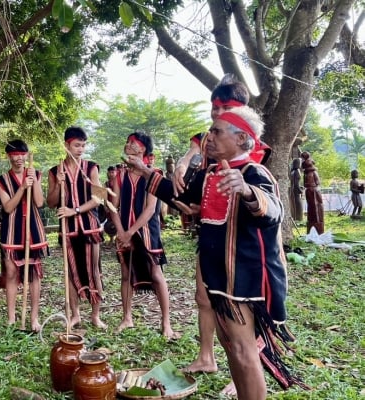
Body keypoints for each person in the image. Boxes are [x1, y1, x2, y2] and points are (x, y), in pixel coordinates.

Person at [124, 107, 306, 400]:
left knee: (244, 350)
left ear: (243, 140)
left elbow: (273, 211)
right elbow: (179, 194)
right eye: (211, 130)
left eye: (218, 131)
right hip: (218, 276)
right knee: (231, 345)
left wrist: (246, 191)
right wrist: (145, 170)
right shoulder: (209, 173)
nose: (210, 137)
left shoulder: (254, 172)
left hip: (244, 279)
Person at [172, 75, 266, 395]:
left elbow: (260, 201)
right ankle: (207, 356)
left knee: (242, 309)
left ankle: (246, 368)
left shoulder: (251, 150)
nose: (216, 113)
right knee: (204, 297)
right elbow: (193, 179)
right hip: (212, 238)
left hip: (244, 249)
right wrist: (184, 166)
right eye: (214, 107)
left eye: (225, 107)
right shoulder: (211, 142)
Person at [109, 131, 178, 339]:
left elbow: (150, 209)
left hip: (147, 232)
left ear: (143, 149)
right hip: (124, 231)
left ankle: (166, 323)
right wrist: (121, 231)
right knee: (126, 274)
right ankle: (127, 318)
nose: (128, 145)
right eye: (127, 142)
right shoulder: (120, 174)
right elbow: (114, 205)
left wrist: (130, 232)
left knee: (156, 275)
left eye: (133, 143)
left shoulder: (153, 173)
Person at [46, 126, 107, 329]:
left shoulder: (91, 168)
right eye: (76, 145)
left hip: (90, 227)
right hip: (68, 230)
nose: (80, 149)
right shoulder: (55, 171)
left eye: (83, 145)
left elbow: (99, 198)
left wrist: (76, 210)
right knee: (71, 272)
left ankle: (96, 315)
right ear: (66, 145)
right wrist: (58, 185)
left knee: (94, 271)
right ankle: (75, 315)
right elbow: (51, 202)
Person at [0, 139, 48, 332]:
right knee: (11, 273)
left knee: (34, 275)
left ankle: (34, 319)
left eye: (22, 154)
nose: (19, 158)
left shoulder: (36, 174)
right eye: (15, 155)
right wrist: (23, 187)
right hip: (12, 231)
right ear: (9, 157)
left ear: (27, 156)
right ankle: (11, 318)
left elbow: (40, 202)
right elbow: (8, 207)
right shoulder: (1, 180)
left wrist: (33, 184)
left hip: (33, 230)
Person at [301, 151, 324, 234]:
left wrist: (312, 186)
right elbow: (305, 183)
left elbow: (317, 182)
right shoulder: (306, 174)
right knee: (311, 207)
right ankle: (312, 224)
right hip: (309, 190)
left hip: (314, 190)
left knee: (316, 206)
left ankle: (318, 225)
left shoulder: (313, 172)